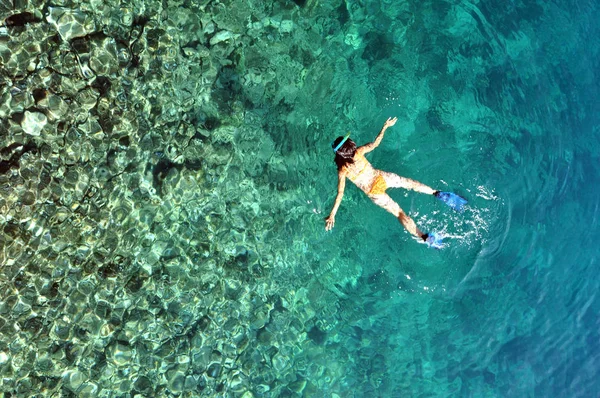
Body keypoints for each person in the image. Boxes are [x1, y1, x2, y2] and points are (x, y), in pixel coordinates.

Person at [324, 117, 467, 249]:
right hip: (380, 177)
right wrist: (385, 127)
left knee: (399, 213)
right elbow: (375, 143)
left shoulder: (342, 171)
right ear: (350, 145)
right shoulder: (359, 152)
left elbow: (340, 193)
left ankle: (424, 236)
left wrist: (332, 215)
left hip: (374, 192)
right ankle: (437, 193)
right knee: (409, 183)